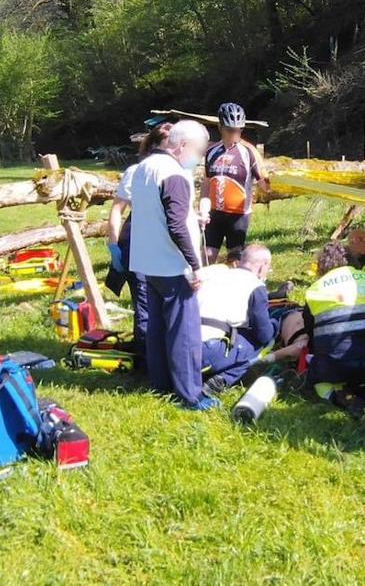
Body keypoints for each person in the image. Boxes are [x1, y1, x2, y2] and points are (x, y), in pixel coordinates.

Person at [128, 119, 215, 411]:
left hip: (147, 261)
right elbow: (176, 224)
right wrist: (195, 264)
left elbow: (156, 213)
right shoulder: (175, 174)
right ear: (182, 146)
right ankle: (190, 394)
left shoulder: (143, 167)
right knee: (184, 331)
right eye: (199, 151)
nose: (199, 158)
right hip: (172, 264)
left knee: (157, 327)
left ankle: (161, 382)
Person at [303, 240, 365, 417]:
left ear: (322, 266)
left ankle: (338, 395)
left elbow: (311, 333)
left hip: (337, 365)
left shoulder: (315, 290)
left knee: (317, 377)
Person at [105, 119, 171, 364]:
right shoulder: (136, 172)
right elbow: (117, 210)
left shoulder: (175, 171)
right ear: (154, 146)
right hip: (137, 241)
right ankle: (146, 360)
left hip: (164, 243)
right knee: (143, 300)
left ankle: (157, 350)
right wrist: (113, 246)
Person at [198, 244, 276, 392]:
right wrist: (274, 325)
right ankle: (221, 380)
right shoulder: (255, 286)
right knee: (255, 343)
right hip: (206, 351)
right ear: (262, 266)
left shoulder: (214, 275)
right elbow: (263, 334)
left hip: (180, 344)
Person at [202, 102, 268, 264]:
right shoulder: (211, 151)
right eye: (230, 130)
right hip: (214, 214)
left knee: (235, 261)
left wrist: (273, 184)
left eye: (238, 130)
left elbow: (265, 183)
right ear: (220, 127)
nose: (234, 134)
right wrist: (202, 209)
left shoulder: (249, 152)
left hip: (238, 216)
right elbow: (206, 182)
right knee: (207, 257)